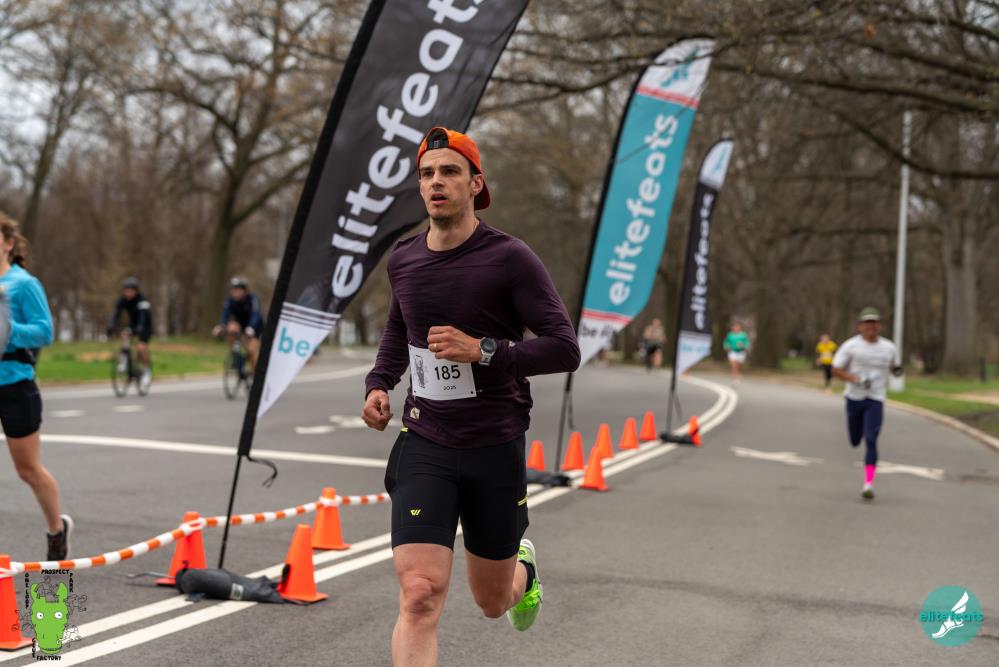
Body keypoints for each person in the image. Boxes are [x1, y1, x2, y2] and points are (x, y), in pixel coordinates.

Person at [361, 126, 580, 666]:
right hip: (426, 439)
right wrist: (379, 382)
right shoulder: (404, 259)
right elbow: (400, 329)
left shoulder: (510, 258)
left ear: (475, 183)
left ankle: (523, 571)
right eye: (427, 174)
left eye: (449, 172)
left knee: (491, 601)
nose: (436, 182)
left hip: (493, 444)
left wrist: (484, 351)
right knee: (419, 593)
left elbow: (564, 347)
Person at [0, 212, 72, 559]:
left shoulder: (23, 284)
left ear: (8, 244)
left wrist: (8, 330)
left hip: (15, 385)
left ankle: (57, 531)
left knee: (27, 470)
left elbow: (45, 332)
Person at [832, 307, 902, 500]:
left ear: (879, 326)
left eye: (875, 323)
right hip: (854, 398)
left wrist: (897, 371)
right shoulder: (850, 346)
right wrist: (854, 379)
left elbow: (895, 366)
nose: (872, 326)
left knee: (871, 439)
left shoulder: (889, 348)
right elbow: (836, 369)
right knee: (855, 440)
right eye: (868, 323)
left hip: (875, 398)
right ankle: (858, 436)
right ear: (860, 326)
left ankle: (868, 483)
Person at [107, 276, 153, 387]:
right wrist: (111, 325)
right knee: (124, 335)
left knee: (141, 348)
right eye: (126, 291)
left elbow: (143, 316)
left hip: (145, 326)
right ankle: (124, 361)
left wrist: (140, 327)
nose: (127, 293)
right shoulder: (122, 300)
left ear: (135, 291)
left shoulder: (142, 300)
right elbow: (116, 313)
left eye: (130, 291)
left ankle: (146, 371)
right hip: (133, 325)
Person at [212, 277, 264, 372]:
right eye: (233, 290)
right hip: (241, 325)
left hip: (255, 327)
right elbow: (225, 314)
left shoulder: (253, 299)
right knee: (231, 327)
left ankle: (255, 374)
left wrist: (251, 327)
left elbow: (255, 314)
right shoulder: (230, 300)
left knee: (252, 351)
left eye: (237, 290)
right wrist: (220, 326)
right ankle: (236, 355)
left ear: (244, 291)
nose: (234, 292)